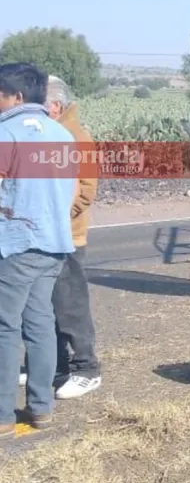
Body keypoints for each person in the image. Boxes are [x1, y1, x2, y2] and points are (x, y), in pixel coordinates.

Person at [0, 63, 77, 438]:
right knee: (41, 324)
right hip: (54, 243)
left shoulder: (5, 134)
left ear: (15, 97)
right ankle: (41, 408)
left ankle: (2, 416)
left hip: (13, 246)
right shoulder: (63, 135)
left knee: (4, 328)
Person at [44, 75, 102, 398]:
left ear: (55, 106)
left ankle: (86, 368)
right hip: (47, 235)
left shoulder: (76, 138)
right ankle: (57, 365)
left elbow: (84, 194)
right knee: (47, 304)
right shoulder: (50, 135)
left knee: (71, 304)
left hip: (69, 237)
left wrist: (50, 217)